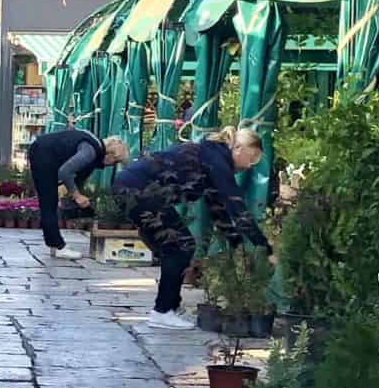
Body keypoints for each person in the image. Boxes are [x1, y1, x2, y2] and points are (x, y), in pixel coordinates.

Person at [112, 127, 268, 327]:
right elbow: (235, 205)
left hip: (134, 188)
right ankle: (162, 311)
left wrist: (238, 245)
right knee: (180, 246)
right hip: (138, 190)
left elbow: (219, 209)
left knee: (177, 248)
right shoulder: (218, 160)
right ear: (238, 148)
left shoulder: (212, 156)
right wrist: (264, 246)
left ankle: (170, 306)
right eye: (252, 158)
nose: (250, 166)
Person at [27, 126, 127, 257]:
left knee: (49, 202)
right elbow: (65, 171)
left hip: (41, 150)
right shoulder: (91, 151)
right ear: (110, 155)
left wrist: (76, 195)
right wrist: (77, 195)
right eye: (115, 161)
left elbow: (76, 176)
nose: (112, 166)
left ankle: (54, 244)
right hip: (43, 154)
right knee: (49, 203)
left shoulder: (94, 146)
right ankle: (58, 247)